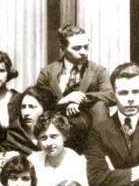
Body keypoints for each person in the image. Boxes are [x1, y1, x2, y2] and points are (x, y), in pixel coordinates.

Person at [36, 25, 115, 154]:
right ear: (62, 49)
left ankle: (100, 153)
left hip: (88, 130)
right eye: (77, 48)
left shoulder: (98, 71)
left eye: (86, 47)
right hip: (56, 130)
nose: (83, 52)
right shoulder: (48, 72)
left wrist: (79, 98)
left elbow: (110, 94)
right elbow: (38, 100)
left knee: (100, 105)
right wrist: (64, 100)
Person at [28, 111, 94, 186]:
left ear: (64, 136)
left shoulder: (78, 162)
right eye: (44, 138)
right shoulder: (32, 160)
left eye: (54, 136)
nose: (49, 143)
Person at [5, 85, 57, 155]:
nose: (26, 113)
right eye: (23, 107)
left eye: (32, 107)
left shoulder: (57, 134)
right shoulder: (10, 137)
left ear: (45, 109)